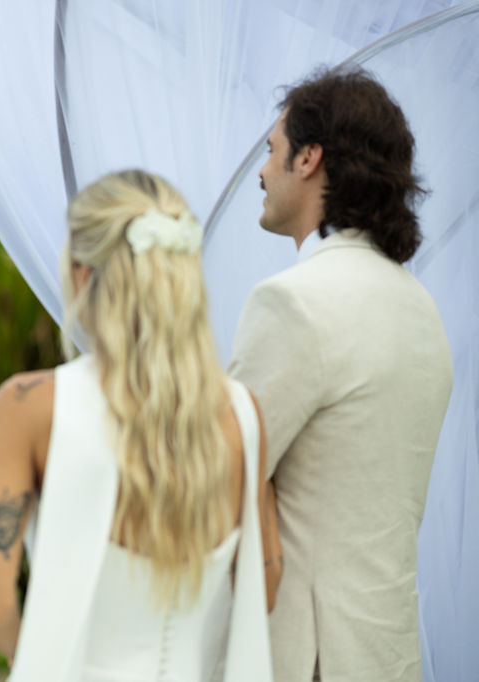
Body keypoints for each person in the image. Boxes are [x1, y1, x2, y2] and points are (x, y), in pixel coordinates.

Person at [0, 169, 283, 681]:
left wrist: (34, 657)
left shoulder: (29, 406)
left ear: (81, 275)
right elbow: (264, 583)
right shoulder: (242, 414)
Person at [229, 67, 453, 682]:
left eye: (271, 150)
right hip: (391, 655)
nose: (261, 171)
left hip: (307, 659)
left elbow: (218, 477)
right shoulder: (423, 311)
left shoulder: (292, 302)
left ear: (309, 158)